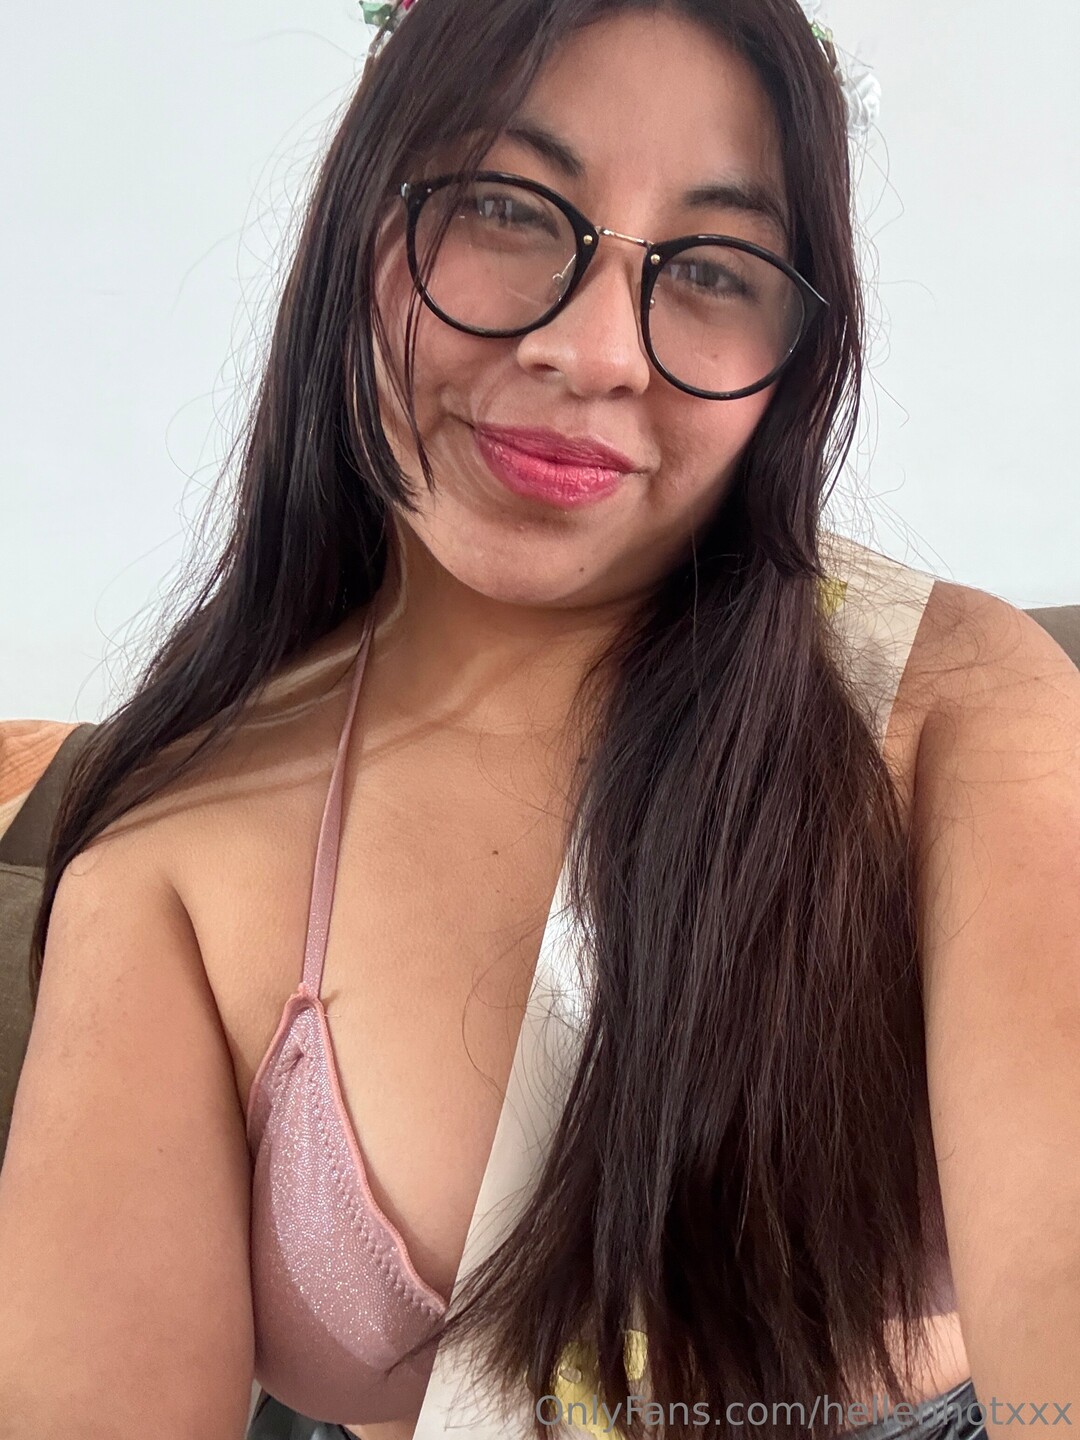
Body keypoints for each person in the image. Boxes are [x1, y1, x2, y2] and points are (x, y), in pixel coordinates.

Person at [1, 1, 1078, 1438]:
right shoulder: (176, 850)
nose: (596, 350)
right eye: (507, 207)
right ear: (359, 222)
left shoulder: (946, 701)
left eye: (713, 267)